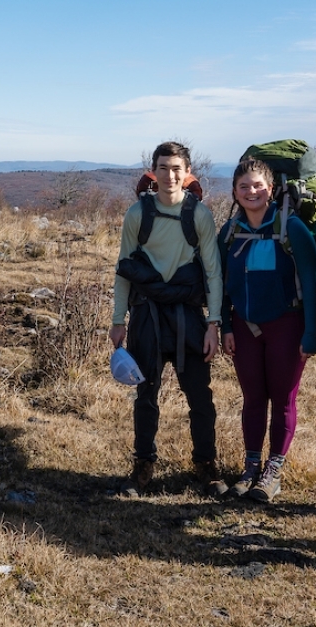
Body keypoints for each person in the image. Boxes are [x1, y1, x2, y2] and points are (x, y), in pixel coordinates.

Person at [110, 141, 226, 497]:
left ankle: (206, 465)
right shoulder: (137, 214)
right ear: (154, 171)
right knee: (145, 395)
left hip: (188, 315)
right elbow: (124, 268)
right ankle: (143, 465)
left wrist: (214, 324)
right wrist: (118, 319)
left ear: (187, 172)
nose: (170, 175)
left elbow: (213, 272)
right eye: (163, 168)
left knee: (200, 396)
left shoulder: (199, 215)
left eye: (176, 168)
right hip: (146, 314)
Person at [219, 157, 316, 503]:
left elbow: (310, 283)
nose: (252, 192)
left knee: (283, 398)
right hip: (244, 327)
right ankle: (250, 468)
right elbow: (219, 284)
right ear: (235, 192)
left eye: (258, 185)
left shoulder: (292, 228)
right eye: (244, 186)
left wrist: (311, 334)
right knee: (253, 398)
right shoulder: (229, 232)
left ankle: (272, 471)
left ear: (271, 189)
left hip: (287, 325)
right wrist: (225, 326)